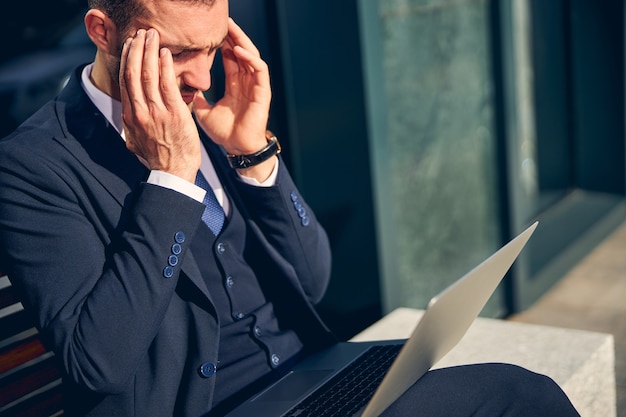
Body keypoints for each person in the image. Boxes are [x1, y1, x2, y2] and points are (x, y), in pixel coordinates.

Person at [0, 0, 580, 416]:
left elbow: (314, 278)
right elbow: (97, 362)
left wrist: (255, 154)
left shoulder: (208, 115)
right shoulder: (34, 165)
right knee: (516, 397)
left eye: (211, 46)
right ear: (103, 31)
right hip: (218, 403)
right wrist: (171, 180)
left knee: (523, 395)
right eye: (177, 52)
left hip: (314, 376)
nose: (203, 78)